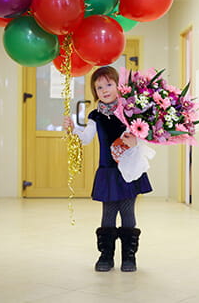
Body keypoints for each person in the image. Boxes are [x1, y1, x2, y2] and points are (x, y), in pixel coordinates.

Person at [63, 66, 153, 272]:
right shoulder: (96, 116)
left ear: (118, 86)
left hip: (129, 170)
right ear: (95, 92)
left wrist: (134, 142)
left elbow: (142, 137)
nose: (104, 90)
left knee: (128, 211)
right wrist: (73, 128)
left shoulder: (130, 111)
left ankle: (129, 257)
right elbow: (86, 139)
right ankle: (106, 255)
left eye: (109, 84)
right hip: (108, 171)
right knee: (109, 213)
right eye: (99, 87)